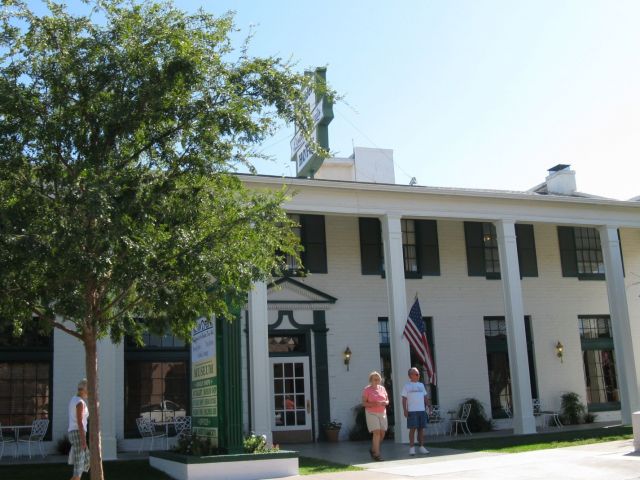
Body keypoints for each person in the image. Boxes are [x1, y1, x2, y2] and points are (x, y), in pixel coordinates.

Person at [401, 367, 431, 456]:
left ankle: (421, 447)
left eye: (418, 374)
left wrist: (429, 406)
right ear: (410, 376)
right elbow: (404, 399)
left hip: (421, 411)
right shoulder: (407, 386)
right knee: (412, 429)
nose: (418, 376)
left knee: (421, 429)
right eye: (416, 374)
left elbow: (425, 397)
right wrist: (405, 410)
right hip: (412, 411)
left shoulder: (421, 385)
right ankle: (412, 448)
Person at [361, 371, 389, 461]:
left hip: (382, 412)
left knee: (382, 433)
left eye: (378, 379)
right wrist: (373, 404)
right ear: (371, 380)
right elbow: (363, 403)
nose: (377, 380)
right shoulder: (367, 389)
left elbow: (387, 400)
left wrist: (385, 402)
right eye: (375, 379)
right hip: (371, 413)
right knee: (376, 432)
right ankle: (377, 454)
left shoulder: (382, 389)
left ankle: (373, 449)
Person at [68, 378, 90, 480]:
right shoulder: (80, 402)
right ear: (83, 390)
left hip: (74, 432)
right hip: (78, 433)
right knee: (79, 466)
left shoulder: (74, 399)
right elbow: (80, 422)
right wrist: (83, 440)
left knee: (87, 459)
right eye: (88, 390)